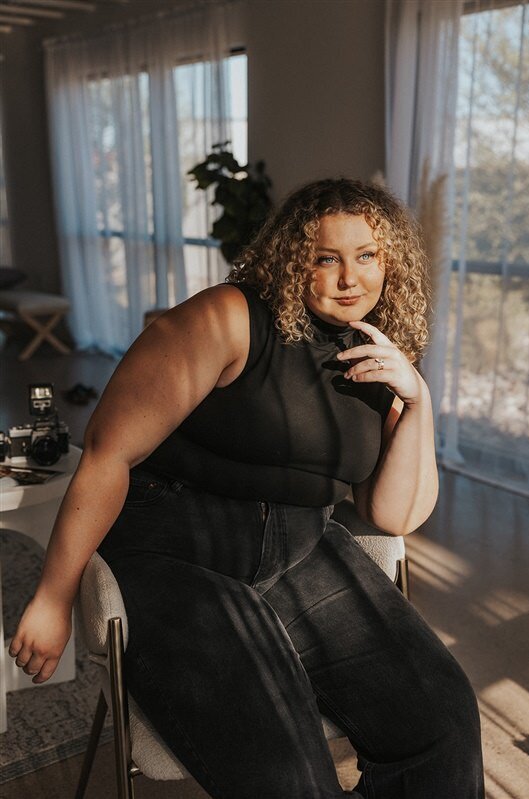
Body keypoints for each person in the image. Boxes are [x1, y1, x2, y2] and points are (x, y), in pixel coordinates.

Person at [9, 178, 485, 799]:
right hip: (174, 552)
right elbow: (108, 452)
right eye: (326, 257)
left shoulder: (377, 354)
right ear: (292, 259)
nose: (350, 278)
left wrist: (416, 401)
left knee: (442, 721)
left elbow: (392, 514)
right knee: (289, 779)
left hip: (302, 553)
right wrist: (53, 595)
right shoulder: (228, 318)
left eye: (366, 256)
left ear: (389, 261)